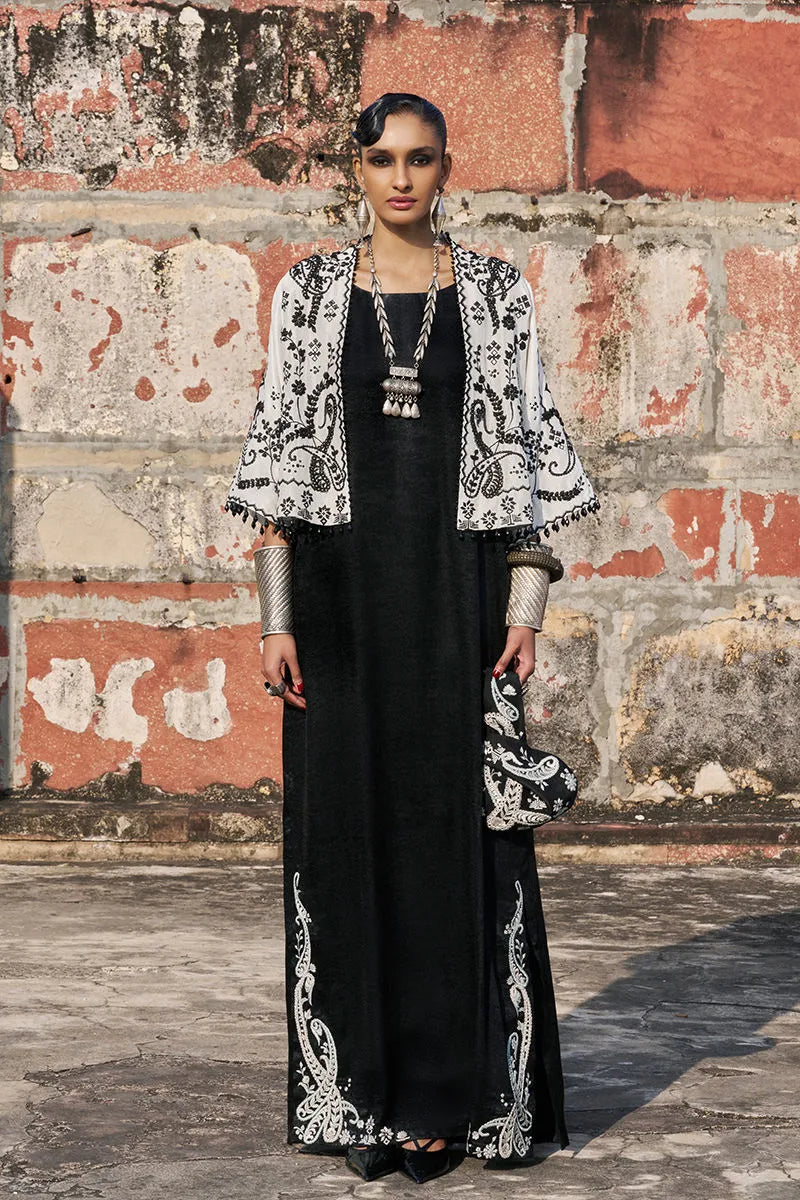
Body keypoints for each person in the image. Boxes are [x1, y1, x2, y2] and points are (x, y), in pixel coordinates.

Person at [224, 93, 599, 1185]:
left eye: (420, 158)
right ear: (355, 168)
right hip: (338, 608)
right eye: (381, 158)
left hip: (457, 598)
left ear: (445, 169)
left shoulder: (489, 292)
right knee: (344, 845)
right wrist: (275, 619)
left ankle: (455, 1098)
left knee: (457, 846)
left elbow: (524, 469)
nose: (400, 177)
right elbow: (279, 479)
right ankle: (361, 1099)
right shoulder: (305, 293)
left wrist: (523, 612)